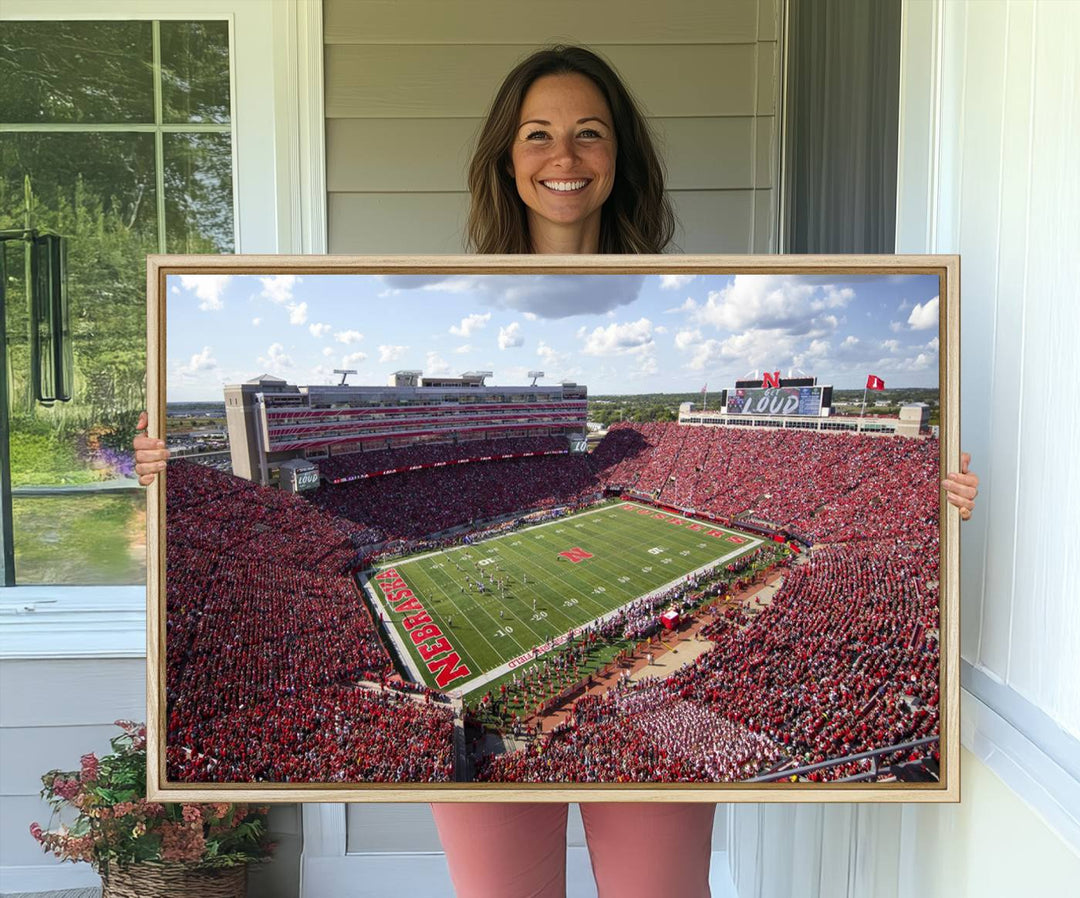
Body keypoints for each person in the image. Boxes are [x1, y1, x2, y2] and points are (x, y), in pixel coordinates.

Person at [134, 44, 979, 898]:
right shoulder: (450, 280)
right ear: (506, 157)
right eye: (538, 134)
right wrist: (159, 476)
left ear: (621, 157)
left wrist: (933, 500)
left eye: (590, 133)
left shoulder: (693, 276)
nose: (564, 157)